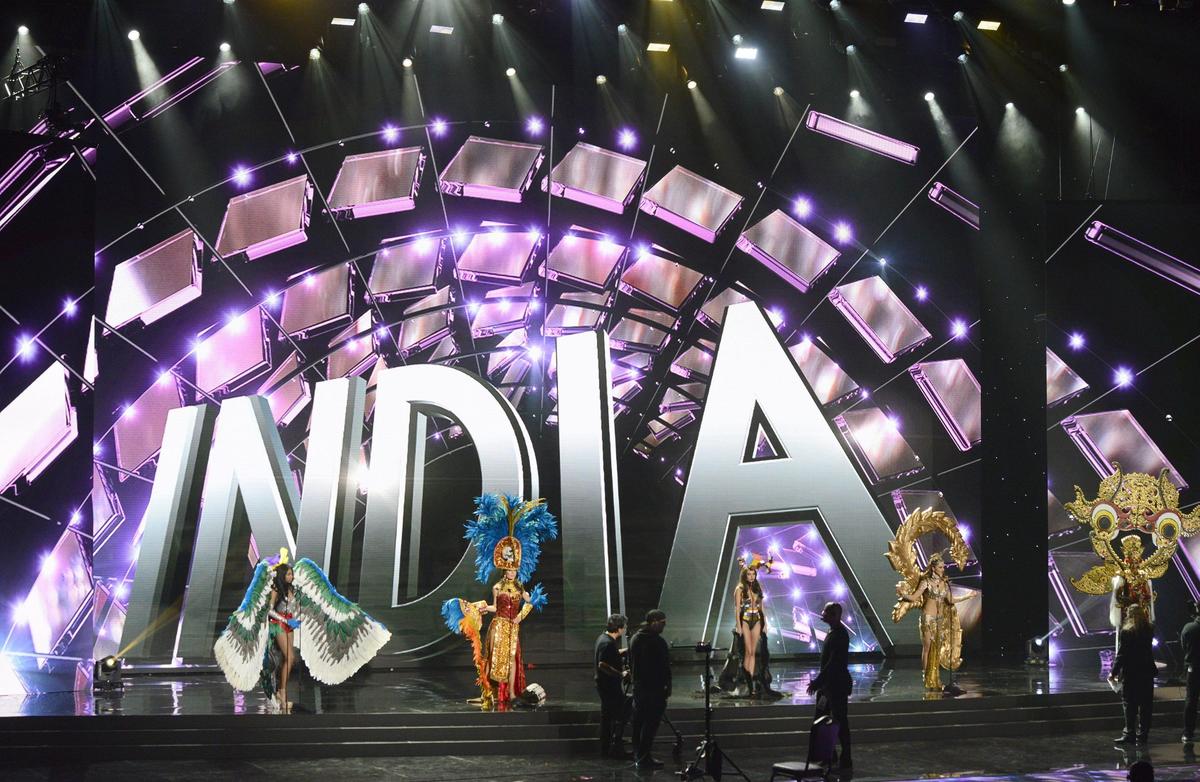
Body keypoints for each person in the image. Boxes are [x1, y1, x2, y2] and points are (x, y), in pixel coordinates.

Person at [214, 549, 391, 714]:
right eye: (288, 574)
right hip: (278, 625)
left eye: (292, 573)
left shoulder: (293, 589)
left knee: (287, 659)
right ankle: (280, 694)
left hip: (289, 625)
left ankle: (280, 694)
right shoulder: (275, 589)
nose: (291, 576)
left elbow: (300, 605)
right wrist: (286, 620)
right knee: (288, 657)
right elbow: (269, 610)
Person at [441, 493, 557, 711]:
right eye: (510, 569)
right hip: (498, 626)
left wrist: (519, 617)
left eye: (515, 569)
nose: (513, 572)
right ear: (505, 569)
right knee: (493, 658)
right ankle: (489, 693)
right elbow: (496, 606)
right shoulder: (497, 587)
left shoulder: (520, 587)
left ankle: (511, 694)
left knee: (512, 659)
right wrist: (484, 608)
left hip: (512, 627)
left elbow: (530, 602)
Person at [899, 552, 977, 690]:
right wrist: (902, 594)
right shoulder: (925, 582)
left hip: (939, 620)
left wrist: (968, 596)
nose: (942, 569)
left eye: (943, 567)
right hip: (928, 618)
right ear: (933, 568)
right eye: (940, 567)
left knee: (936, 649)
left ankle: (935, 678)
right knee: (927, 648)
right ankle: (926, 677)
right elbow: (914, 597)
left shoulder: (944, 584)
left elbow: (950, 600)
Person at [807, 602, 852, 770]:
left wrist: (817, 682)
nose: (822, 613)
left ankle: (845, 757)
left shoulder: (840, 635)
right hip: (828, 686)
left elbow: (833, 663)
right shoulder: (834, 632)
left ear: (834, 615)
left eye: (826, 611)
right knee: (823, 720)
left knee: (839, 721)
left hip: (835, 686)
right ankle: (829, 755)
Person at [629, 609, 671, 770]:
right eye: (662, 623)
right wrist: (666, 686)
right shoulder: (656, 642)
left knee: (639, 723)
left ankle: (639, 755)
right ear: (653, 621)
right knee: (650, 724)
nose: (664, 626)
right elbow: (663, 667)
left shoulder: (636, 639)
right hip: (653, 689)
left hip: (640, 688)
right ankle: (643, 756)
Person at [1111, 603, 1156, 744]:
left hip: (1131, 673)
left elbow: (1122, 654)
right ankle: (1143, 735)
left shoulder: (1126, 632)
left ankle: (1129, 733)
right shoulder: (1149, 629)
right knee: (1146, 705)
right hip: (1147, 672)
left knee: (1129, 704)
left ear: (1128, 615)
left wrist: (1113, 672)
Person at [595, 613, 630, 757]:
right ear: (619, 628)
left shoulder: (604, 639)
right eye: (624, 626)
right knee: (616, 716)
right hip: (609, 686)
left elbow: (611, 654)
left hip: (605, 685)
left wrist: (625, 651)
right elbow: (602, 664)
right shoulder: (607, 643)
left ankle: (607, 747)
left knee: (608, 716)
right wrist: (621, 674)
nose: (625, 629)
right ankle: (614, 748)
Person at [1184, 602, 1200, 742]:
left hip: (1194, 669)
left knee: (1191, 701)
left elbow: (1184, 647)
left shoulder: (1189, 628)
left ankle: (1188, 733)